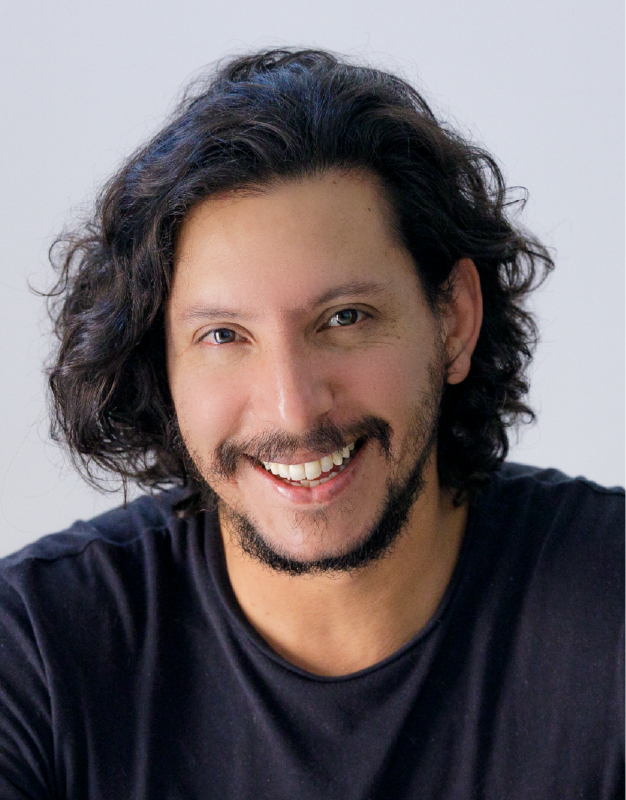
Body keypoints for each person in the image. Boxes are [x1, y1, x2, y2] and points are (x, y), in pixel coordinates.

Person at [1, 48, 625, 800]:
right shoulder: (34, 652)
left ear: (454, 320)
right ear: (160, 365)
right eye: (224, 335)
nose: (293, 408)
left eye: (345, 318)